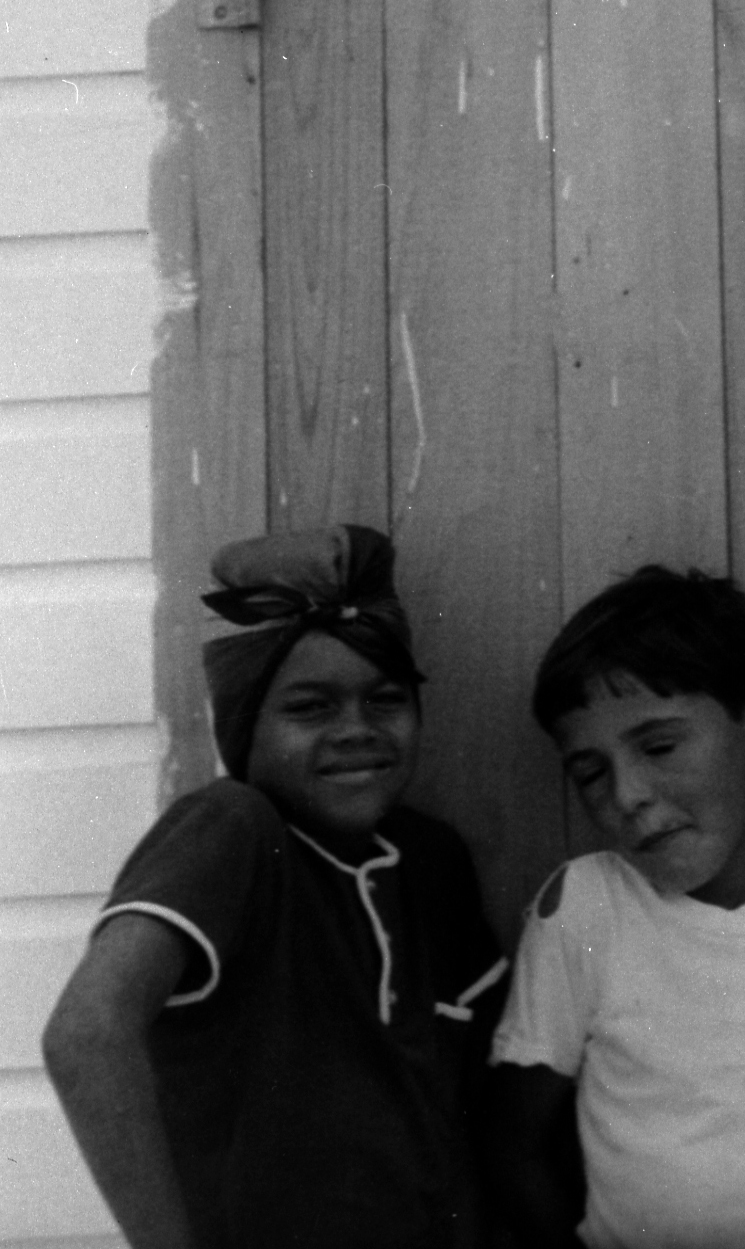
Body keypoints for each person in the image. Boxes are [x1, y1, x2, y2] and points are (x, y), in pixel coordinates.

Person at [41, 522, 505, 1249]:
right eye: (310, 706)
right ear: (242, 728)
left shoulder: (429, 859)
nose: (356, 728)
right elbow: (86, 1036)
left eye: (385, 698)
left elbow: (478, 1102)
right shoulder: (234, 829)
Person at [488, 563, 745, 1249]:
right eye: (591, 772)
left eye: (659, 746)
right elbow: (515, 1143)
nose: (628, 793)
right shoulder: (587, 905)